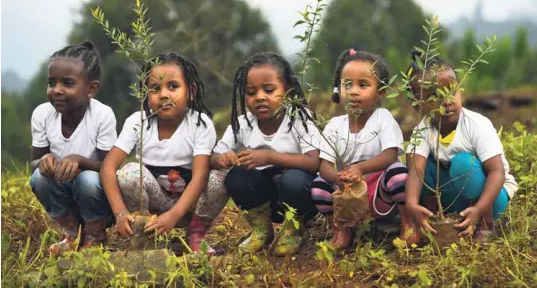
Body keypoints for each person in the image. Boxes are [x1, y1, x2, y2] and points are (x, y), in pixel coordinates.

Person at [100, 53, 228, 254]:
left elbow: (201, 176)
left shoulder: (200, 124)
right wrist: (120, 213)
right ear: (145, 93)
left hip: (191, 206)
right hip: (154, 205)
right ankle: (142, 232)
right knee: (129, 172)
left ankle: (196, 234)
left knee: (220, 176)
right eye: (155, 88)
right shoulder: (137, 122)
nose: (164, 94)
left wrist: (175, 214)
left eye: (173, 86)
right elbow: (108, 167)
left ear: (191, 91)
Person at [213, 52, 320, 256]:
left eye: (269, 90)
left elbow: (314, 162)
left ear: (287, 90)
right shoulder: (243, 123)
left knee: (294, 179)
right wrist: (222, 158)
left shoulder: (299, 119)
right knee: (236, 176)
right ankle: (262, 230)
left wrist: (268, 157)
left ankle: (294, 229)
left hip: (298, 197)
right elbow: (214, 155)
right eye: (251, 92)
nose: (260, 97)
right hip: (265, 198)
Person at [311, 48, 419, 249]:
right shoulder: (334, 125)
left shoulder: (382, 118)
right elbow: (324, 165)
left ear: (380, 92)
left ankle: (407, 224)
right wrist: (337, 179)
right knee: (318, 185)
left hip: (378, 190)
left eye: (363, 85)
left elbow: (390, 155)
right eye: (347, 84)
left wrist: (360, 169)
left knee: (398, 174)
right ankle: (341, 229)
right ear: (338, 88)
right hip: (347, 192)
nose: (353, 91)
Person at [404, 50, 518, 242]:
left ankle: (485, 224)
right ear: (417, 104)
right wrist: (411, 203)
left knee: (463, 164)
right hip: (457, 199)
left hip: (491, 197)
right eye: (434, 96)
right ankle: (434, 220)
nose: (446, 101)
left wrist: (480, 209)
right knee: (420, 166)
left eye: (451, 91)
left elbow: (497, 171)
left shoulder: (476, 124)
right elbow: (417, 171)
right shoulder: (422, 130)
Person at [30, 41, 117, 256]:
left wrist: (81, 161)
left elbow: (111, 168)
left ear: (91, 89)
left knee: (88, 180)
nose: (56, 90)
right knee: (38, 178)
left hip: (96, 196)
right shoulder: (42, 114)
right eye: (52, 82)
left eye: (67, 83)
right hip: (63, 193)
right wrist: (43, 163)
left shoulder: (102, 116)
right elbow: (32, 163)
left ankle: (95, 233)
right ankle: (71, 232)